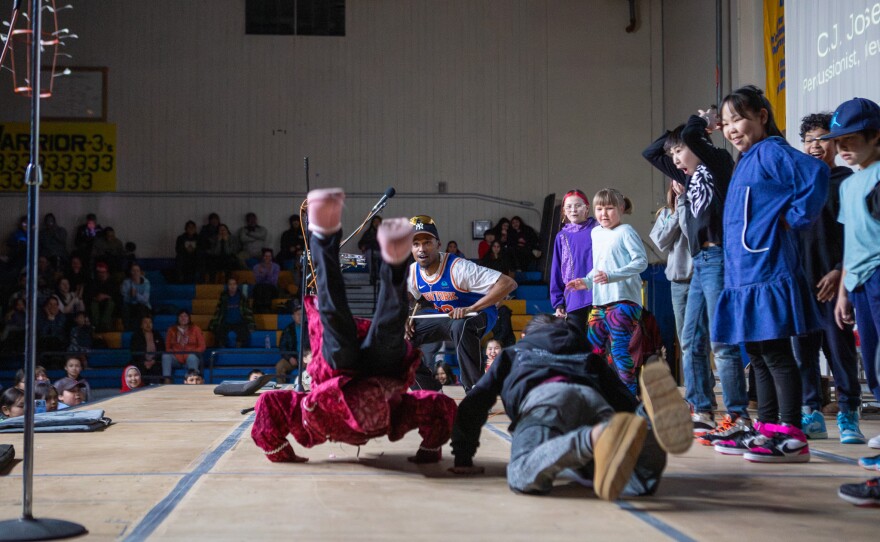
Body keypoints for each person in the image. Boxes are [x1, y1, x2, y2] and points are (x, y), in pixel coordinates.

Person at [251, 188, 457, 464]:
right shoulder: (400, 413)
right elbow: (440, 407)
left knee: (349, 321)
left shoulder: (308, 415)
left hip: (341, 386)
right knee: (374, 327)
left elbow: (267, 405)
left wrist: (279, 453)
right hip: (376, 388)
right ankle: (388, 262)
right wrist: (430, 451)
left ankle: (328, 238)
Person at [449, 314, 692, 501]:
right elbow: (620, 398)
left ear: (526, 336)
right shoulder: (585, 353)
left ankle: (595, 438)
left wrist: (463, 453)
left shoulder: (515, 352)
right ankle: (648, 420)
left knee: (522, 474)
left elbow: (477, 401)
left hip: (544, 401)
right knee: (636, 481)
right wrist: (634, 414)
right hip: (592, 400)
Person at [710, 85, 827, 463]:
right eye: (726, 123)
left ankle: (792, 434)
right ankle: (768, 428)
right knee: (757, 354)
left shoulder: (772, 151)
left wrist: (794, 218)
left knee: (776, 353)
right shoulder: (746, 158)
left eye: (738, 119)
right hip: (744, 274)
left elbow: (816, 176)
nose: (731, 129)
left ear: (762, 115)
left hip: (767, 269)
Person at [643, 110, 750, 440]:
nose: (675, 159)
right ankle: (701, 409)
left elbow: (691, 137)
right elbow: (651, 152)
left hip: (718, 257)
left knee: (722, 342)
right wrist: (676, 139)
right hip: (701, 261)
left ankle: (738, 416)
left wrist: (700, 121)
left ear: (698, 144)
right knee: (690, 339)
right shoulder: (687, 176)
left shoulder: (718, 164)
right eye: (673, 154)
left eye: (680, 152)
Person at [791, 112, 865, 444]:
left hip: (836, 280)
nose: (814, 146)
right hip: (802, 281)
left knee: (840, 349)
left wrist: (839, 270)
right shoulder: (801, 185)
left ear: (834, 143)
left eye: (821, 139)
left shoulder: (847, 181)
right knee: (804, 351)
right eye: (808, 140)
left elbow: (856, 233)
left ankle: (849, 412)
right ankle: (812, 412)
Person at [822, 97, 880, 452]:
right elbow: (850, 244)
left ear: (875, 136)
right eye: (838, 141)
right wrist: (843, 292)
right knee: (872, 363)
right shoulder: (848, 185)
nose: (842, 147)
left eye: (851, 139)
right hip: (858, 283)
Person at [406, 215, 518, 392]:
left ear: (438, 244)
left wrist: (471, 308)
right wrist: (406, 316)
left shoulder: (460, 268)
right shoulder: (413, 271)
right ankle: (429, 391)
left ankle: (475, 392)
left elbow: (508, 283)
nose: (421, 249)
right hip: (448, 318)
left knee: (461, 325)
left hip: (479, 314)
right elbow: (408, 297)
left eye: (427, 242)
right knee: (399, 339)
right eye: (416, 244)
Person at [566, 189, 647, 396]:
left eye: (609, 208)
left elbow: (640, 262)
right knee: (592, 350)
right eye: (599, 209)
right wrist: (586, 281)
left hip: (624, 302)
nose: (604, 213)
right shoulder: (596, 233)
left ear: (621, 208)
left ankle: (629, 397)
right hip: (600, 303)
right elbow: (599, 266)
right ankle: (597, 394)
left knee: (619, 350)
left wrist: (612, 276)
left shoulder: (626, 231)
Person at [648, 180, 696, 365]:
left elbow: (691, 233)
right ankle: (696, 385)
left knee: (702, 335)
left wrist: (685, 205)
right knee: (684, 337)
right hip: (678, 282)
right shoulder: (666, 214)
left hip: (699, 279)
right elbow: (661, 241)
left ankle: (705, 382)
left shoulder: (699, 211)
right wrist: (677, 214)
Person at [551, 189, 599, 334]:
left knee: (602, 342)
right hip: (574, 296)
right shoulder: (562, 236)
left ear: (587, 208)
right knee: (576, 340)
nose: (573, 210)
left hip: (600, 294)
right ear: (564, 211)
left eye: (578, 205)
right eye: (569, 206)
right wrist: (558, 301)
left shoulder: (598, 229)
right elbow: (556, 271)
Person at [209, 278, 255, 348]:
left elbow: (248, 312)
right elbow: (218, 312)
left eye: (234, 284)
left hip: (239, 322)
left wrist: (251, 324)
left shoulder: (242, 298)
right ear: (227, 286)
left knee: (244, 331)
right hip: (226, 322)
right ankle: (222, 349)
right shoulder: (223, 297)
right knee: (219, 331)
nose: (232, 286)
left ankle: (237, 349)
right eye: (230, 284)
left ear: (237, 286)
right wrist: (213, 324)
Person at [164, 309, 205, 383]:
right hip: (176, 357)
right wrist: (176, 353)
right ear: (177, 318)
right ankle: (167, 380)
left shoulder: (196, 329)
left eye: (185, 316)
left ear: (189, 318)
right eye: (181, 316)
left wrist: (191, 352)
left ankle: (194, 380)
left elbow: (202, 347)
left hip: (190, 357)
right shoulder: (171, 330)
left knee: (192, 357)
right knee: (166, 356)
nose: (183, 318)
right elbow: (167, 347)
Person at [275, 307, 309, 384]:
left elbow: (315, 344)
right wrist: (289, 358)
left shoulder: (310, 327)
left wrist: (308, 357)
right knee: (280, 366)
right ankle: (282, 390)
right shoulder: (288, 329)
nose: (300, 316)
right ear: (293, 316)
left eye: (302, 314)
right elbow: (282, 347)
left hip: (307, 358)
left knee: (316, 365)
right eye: (298, 314)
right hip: (293, 358)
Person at [130, 315, 166, 383]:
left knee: (158, 369)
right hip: (141, 362)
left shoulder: (157, 334)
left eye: (150, 322)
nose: (148, 325)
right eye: (145, 322)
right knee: (139, 369)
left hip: (155, 361)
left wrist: (154, 360)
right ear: (141, 325)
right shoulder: (136, 336)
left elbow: (162, 349)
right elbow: (134, 351)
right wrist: (144, 361)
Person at [87, 262, 118, 332]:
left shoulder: (113, 282)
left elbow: (116, 295)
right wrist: (96, 297)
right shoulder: (94, 282)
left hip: (109, 302)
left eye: (103, 272)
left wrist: (105, 296)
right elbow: (90, 294)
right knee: (93, 304)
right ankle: (96, 324)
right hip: (97, 302)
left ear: (107, 272)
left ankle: (104, 324)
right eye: (100, 272)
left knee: (111, 303)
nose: (101, 274)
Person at [120, 263, 151, 331]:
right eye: (133, 270)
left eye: (137, 271)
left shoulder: (146, 282)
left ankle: (141, 330)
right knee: (125, 308)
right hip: (130, 305)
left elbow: (145, 300)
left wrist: (136, 295)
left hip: (143, 305)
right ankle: (127, 330)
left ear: (140, 272)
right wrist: (132, 297)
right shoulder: (126, 283)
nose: (135, 273)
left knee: (141, 308)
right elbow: (125, 299)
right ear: (130, 272)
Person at [252, 248, 280, 313]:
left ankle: (266, 308)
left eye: (269, 256)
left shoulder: (276, 267)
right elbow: (257, 280)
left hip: (271, 288)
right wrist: (264, 275)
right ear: (263, 257)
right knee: (259, 287)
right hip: (260, 287)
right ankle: (258, 308)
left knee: (267, 287)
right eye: (266, 256)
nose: (267, 258)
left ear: (271, 257)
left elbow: (274, 281)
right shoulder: (256, 267)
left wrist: (265, 273)